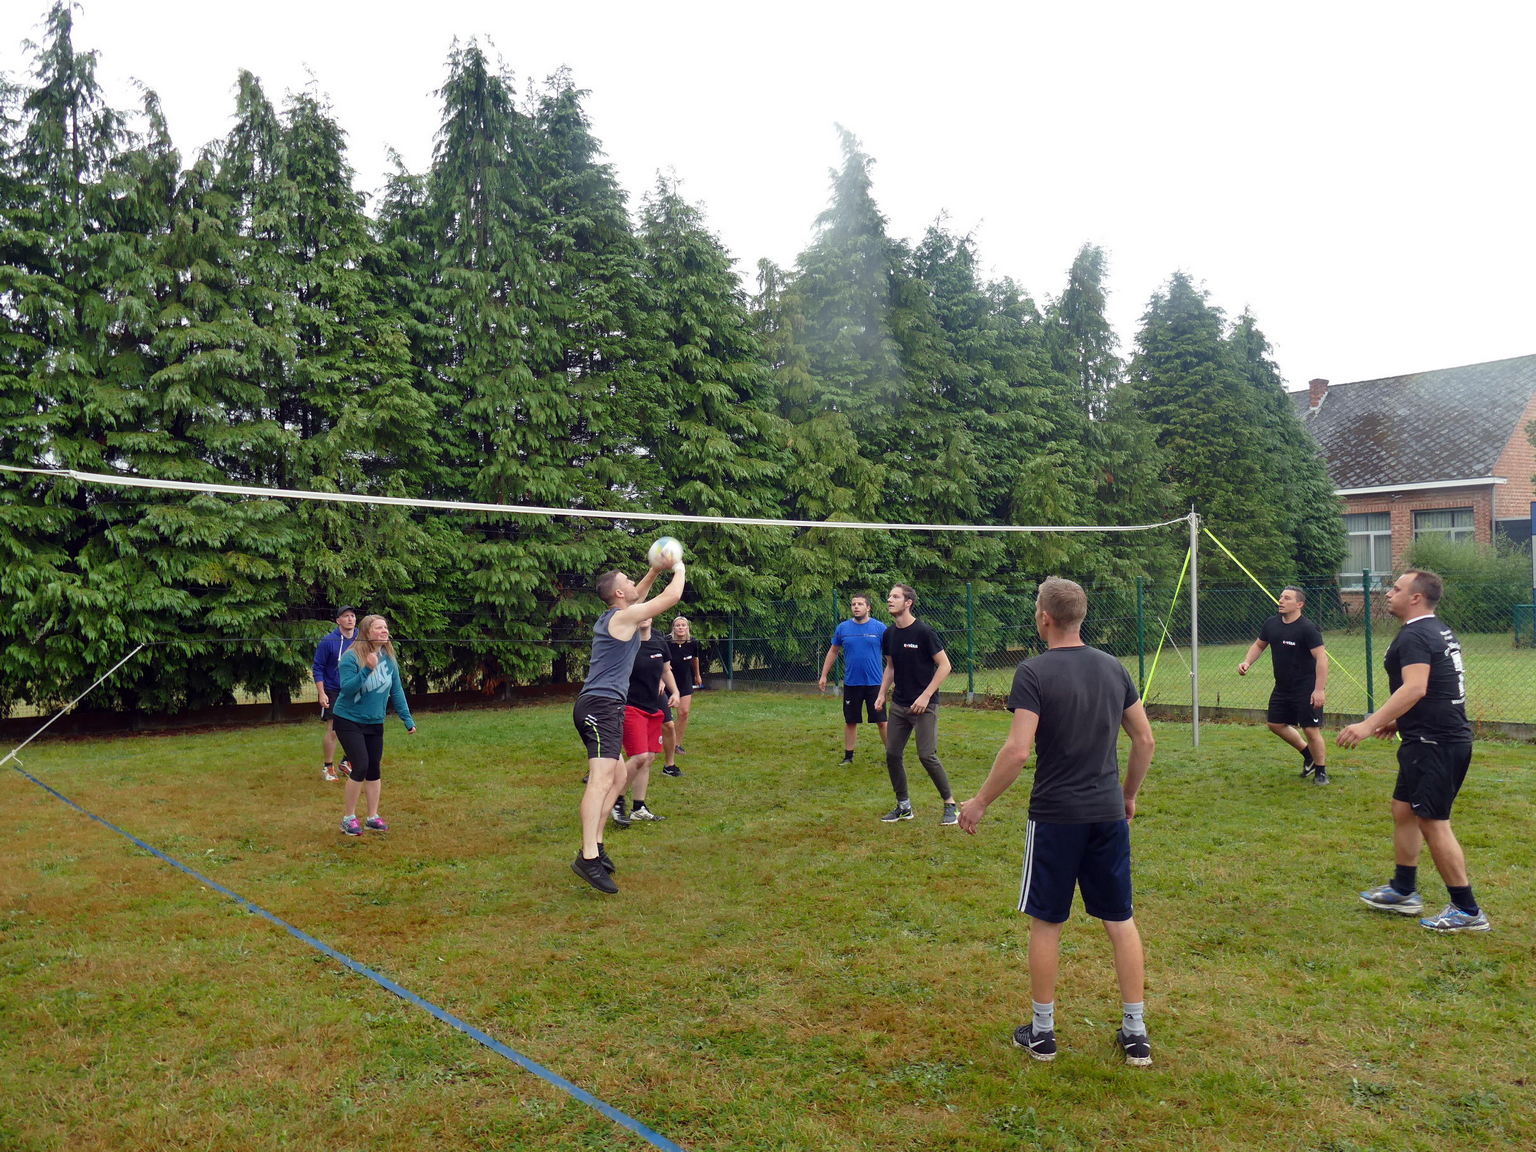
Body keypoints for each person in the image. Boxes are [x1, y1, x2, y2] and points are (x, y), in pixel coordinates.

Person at [958, 577, 1156, 1067]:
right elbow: (1145, 740)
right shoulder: (1114, 667)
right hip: (1107, 814)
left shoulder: (1033, 671)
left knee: (1047, 922)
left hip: (1055, 817)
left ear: (1044, 617)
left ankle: (1042, 1033)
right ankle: (1136, 1034)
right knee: (1120, 920)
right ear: (1080, 616)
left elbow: (1017, 750)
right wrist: (1127, 796)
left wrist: (980, 801)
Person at [1338, 569, 1488, 932]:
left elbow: (1416, 687)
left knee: (1433, 822)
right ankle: (1404, 890)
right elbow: (1438, 686)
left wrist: (1369, 724)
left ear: (1416, 597)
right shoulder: (1435, 629)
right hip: (1428, 738)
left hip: (1436, 742)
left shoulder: (1416, 634)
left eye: (1396, 588)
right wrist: (1399, 721)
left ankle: (1467, 910)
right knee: (1403, 809)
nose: (1388, 594)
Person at [571, 556, 686, 895]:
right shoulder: (622, 618)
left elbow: (640, 595)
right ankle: (588, 857)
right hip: (601, 706)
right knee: (601, 779)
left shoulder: (619, 614)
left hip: (605, 706)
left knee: (619, 776)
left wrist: (654, 570)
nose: (634, 584)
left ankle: (597, 844)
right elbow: (670, 598)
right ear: (619, 593)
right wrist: (678, 566)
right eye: (628, 581)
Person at [873, 584, 957, 825]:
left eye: (895, 596)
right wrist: (882, 694)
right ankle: (904, 806)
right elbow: (890, 667)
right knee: (892, 753)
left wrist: (926, 696)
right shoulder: (889, 634)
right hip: (899, 704)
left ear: (908, 602)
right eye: (889, 596)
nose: (889, 600)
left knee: (926, 755)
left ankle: (950, 805)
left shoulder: (924, 632)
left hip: (924, 706)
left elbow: (945, 666)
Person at [331, 614, 416, 836]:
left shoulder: (389, 659)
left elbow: (396, 690)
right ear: (366, 632)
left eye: (385, 627)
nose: (384, 631)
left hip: (374, 721)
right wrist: (367, 668)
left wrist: (407, 719)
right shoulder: (351, 658)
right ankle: (348, 819)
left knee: (373, 768)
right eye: (379, 628)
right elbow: (347, 689)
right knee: (360, 765)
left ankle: (372, 817)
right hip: (348, 719)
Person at [1237, 585, 1330, 785]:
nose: (1281, 600)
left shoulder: (1308, 628)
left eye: (1287, 598)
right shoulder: (1271, 624)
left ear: (1299, 604)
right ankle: (1308, 755)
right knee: (1275, 724)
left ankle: (1321, 771)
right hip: (1282, 686)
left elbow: (1322, 659)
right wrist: (1247, 662)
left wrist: (1319, 690)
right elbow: (1259, 645)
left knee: (1310, 729)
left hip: (1306, 688)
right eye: (1281, 597)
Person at [610, 618, 680, 826]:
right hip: (630, 707)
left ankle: (638, 808)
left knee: (648, 757)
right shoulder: (625, 642)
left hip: (652, 707)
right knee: (639, 756)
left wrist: (675, 691)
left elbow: (666, 670)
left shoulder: (659, 641)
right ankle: (615, 799)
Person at [818, 593, 888, 764]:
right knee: (851, 721)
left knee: (881, 722)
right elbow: (833, 651)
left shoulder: (880, 628)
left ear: (868, 607)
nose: (856, 607)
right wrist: (824, 675)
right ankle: (848, 757)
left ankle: (892, 756)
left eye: (860, 604)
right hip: (852, 683)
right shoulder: (843, 628)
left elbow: (891, 656)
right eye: (853, 604)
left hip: (875, 684)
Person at [312, 606, 358, 781]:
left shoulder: (360, 638)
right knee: (334, 730)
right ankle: (328, 767)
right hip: (333, 689)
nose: (350, 619)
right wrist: (321, 693)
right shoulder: (328, 641)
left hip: (354, 689)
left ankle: (347, 762)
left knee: (357, 727)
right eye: (346, 616)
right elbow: (318, 668)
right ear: (338, 620)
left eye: (352, 616)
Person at [660, 615, 702, 777]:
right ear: (673, 628)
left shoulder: (693, 642)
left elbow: (695, 659)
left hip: (685, 682)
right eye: (678, 625)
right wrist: (660, 680)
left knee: (683, 713)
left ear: (687, 628)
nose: (681, 628)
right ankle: (660, 742)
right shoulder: (666, 642)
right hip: (667, 682)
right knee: (664, 717)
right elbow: (659, 662)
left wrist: (697, 675)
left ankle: (676, 744)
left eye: (683, 625)